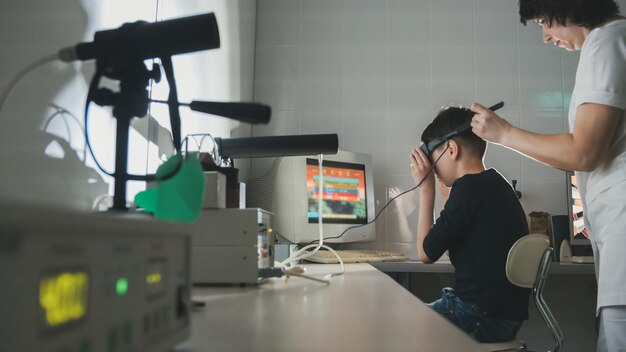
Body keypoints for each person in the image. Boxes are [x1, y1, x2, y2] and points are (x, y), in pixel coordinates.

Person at [470, 1, 626, 350]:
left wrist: (505, 134)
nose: (545, 37)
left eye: (544, 22)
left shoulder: (605, 43)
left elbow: (583, 153)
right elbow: (581, 155)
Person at [409, 106, 530, 343]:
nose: (432, 169)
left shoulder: (468, 188)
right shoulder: (496, 183)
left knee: (398, 321)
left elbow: (425, 253)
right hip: (503, 319)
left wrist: (426, 190)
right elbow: (447, 241)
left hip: (476, 314)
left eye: (432, 160)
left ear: (451, 149)